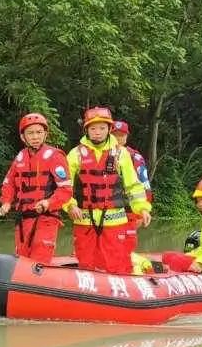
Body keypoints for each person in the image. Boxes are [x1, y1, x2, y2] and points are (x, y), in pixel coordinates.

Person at [62, 107, 152, 274]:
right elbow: (64, 186)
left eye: (102, 128)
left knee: (116, 265)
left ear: (109, 129)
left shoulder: (121, 153)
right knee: (86, 265)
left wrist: (143, 208)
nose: (97, 132)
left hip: (114, 222)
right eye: (93, 128)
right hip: (84, 220)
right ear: (86, 130)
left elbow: (133, 185)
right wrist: (70, 205)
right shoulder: (75, 154)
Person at [0, 112, 74, 263]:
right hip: (23, 219)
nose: (35, 136)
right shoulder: (20, 157)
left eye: (39, 132)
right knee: (21, 259)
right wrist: (6, 202)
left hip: (46, 218)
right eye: (30, 133)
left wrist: (48, 203)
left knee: (39, 257)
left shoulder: (55, 156)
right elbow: (9, 183)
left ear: (45, 134)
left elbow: (65, 190)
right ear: (23, 137)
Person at [112, 120, 152, 253]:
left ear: (126, 137)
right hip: (104, 208)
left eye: (121, 135)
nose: (118, 138)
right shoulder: (97, 154)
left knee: (126, 245)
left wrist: (142, 210)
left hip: (128, 208)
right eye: (115, 134)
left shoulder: (135, 157)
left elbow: (144, 183)